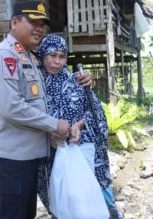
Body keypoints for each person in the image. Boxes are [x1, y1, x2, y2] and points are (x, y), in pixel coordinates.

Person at [0, 0, 92, 219]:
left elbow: (58, 77)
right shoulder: (4, 56)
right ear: (14, 22)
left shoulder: (28, 57)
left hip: (26, 157)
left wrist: (84, 80)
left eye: (42, 23)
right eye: (33, 21)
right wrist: (55, 125)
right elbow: (12, 108)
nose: (39, 28)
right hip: (10, 158)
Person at [36, 34, 121, 219]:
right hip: (52, 158)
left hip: (83, 153)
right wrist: (47, 135)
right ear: (42, 55)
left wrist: (79, 125)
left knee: (96, 202)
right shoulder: (34, 85)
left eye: (62, 56)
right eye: (52, 55)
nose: (57, 62)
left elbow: (96, 113)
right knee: (64, 205)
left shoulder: (78, 81)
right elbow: (26, 118)